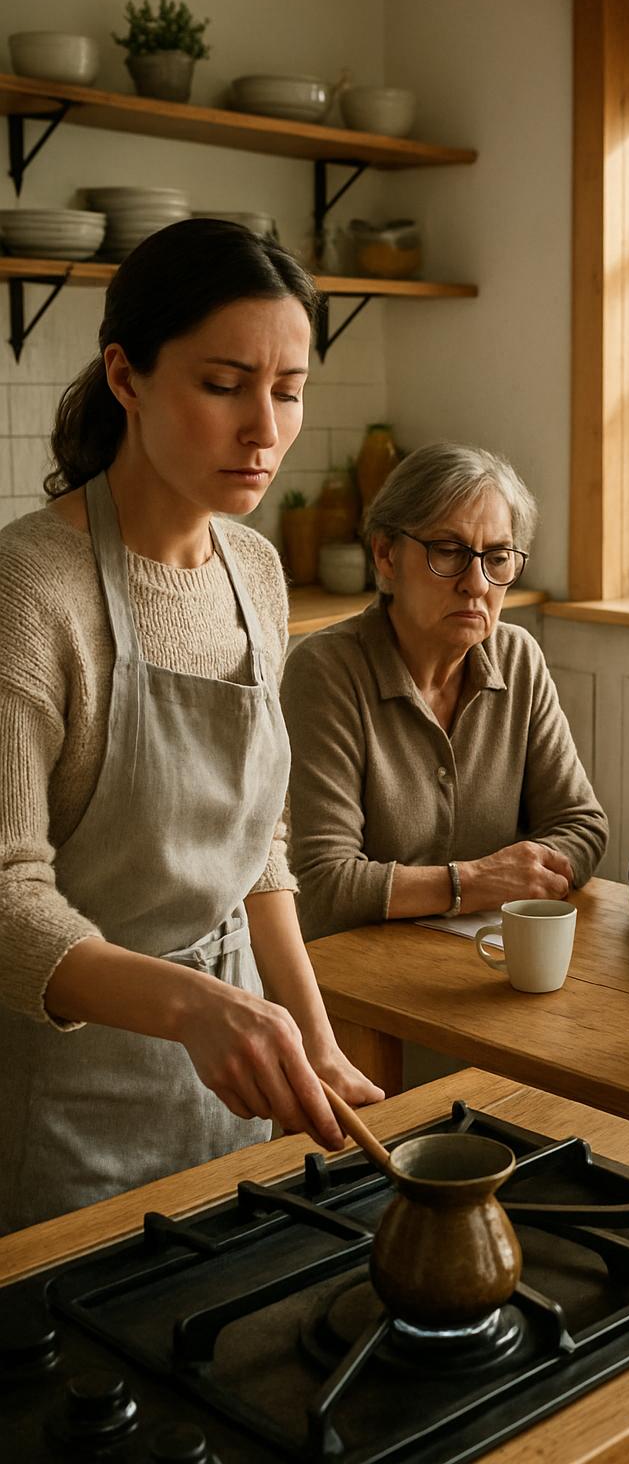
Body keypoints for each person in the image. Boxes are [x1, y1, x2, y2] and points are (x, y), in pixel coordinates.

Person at [0, 218, 382, 1235]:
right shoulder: (31, 591)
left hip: (230, 1104)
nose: (264, 429)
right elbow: (5, 902)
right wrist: (197, 1009)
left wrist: (310, 1034)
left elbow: (260, 850)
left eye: (289, 391)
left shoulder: (255, 572)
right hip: (71, 1113)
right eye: (224, 386)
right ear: (125, 377)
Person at [281, 443, 608, 938]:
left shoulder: (518, 657)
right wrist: (475, 882)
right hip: (359, 972)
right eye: (448, 552)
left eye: (497, 557)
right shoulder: (327, 671)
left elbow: (581, 824)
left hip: (488, 961)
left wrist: (516, 876)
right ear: (386, 555)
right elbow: (322, 885)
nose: (476, 583)